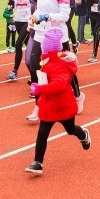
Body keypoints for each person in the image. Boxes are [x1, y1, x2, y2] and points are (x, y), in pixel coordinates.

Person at [24, 28, 91, 175]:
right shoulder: (48, 60)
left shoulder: (59, 64)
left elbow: (59, 86)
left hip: (62, 105)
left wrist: (40, 90)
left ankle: (83, 134)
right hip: (49, 104)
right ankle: (38, 162)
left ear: (46, 47)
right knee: (42, 132)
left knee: (70, 129)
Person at [6, 0, 32, 82]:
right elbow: (11, 5)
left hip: (28, 21)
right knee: (28, 45)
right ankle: (36, 71)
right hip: (18, 21)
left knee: (18, 44)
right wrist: (9, 7)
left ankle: (15, 71)